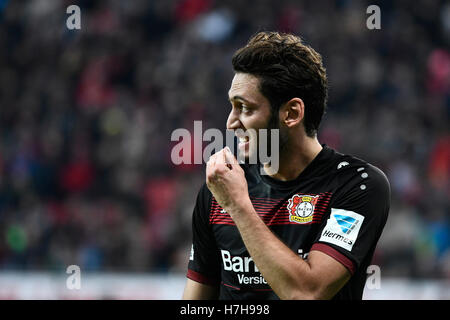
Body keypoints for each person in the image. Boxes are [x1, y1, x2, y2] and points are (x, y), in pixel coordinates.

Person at [182, 31, 390, 300]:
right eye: (232, 107)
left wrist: (238, 206)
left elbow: (307, 294)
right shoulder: (218, 192)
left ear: (291, 113)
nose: (230, 123)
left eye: (244, 108)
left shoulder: (357, 185)